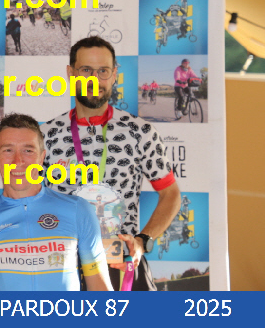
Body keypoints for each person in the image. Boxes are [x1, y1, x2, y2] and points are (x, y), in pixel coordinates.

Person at [41, 36, 181, 290]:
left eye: (103, 71)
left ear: (114, 75)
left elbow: (170, 194)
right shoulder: (45, 135)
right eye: (86, 70)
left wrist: (143, 241)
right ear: (71, 73)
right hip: (61, 268)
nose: (95, 79)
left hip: (122, 265)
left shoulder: (140, 131)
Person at [0, 114, 112, 291]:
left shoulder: (78, 210)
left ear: (42, 157)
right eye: (8, 150)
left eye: (28, 151)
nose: (18, 161)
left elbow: (101, 291)